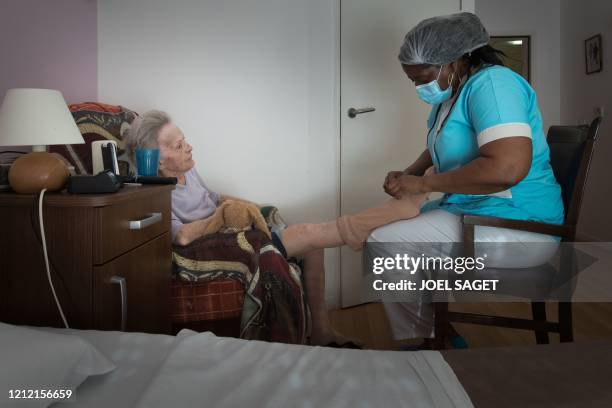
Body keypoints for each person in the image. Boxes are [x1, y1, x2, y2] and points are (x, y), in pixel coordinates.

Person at [123, 110, 429, 347]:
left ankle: (321, 331)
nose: (190, 148)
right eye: (179, 145)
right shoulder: (153, 192)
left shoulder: (187, 172)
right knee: (310, 233)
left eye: (185, 139)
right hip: (219, 247)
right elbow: (183, 235)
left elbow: (215, 198)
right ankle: (379, 219)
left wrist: (252, 208)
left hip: (234, 232)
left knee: (313, 248)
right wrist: (226, 217)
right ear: (158, 161)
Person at [369, 12, 564, 347]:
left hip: (520, 224)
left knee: (386, 245)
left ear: (455, 60)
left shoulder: (494, 85)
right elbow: (442, 146)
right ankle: (438, 336)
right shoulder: (453, 94)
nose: (418, 86)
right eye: (412, 80)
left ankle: (425, 345)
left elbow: (507, 169)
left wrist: (425, 185)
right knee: (389, 235)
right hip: (478, 210)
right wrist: (411, 173)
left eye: (422, 77)